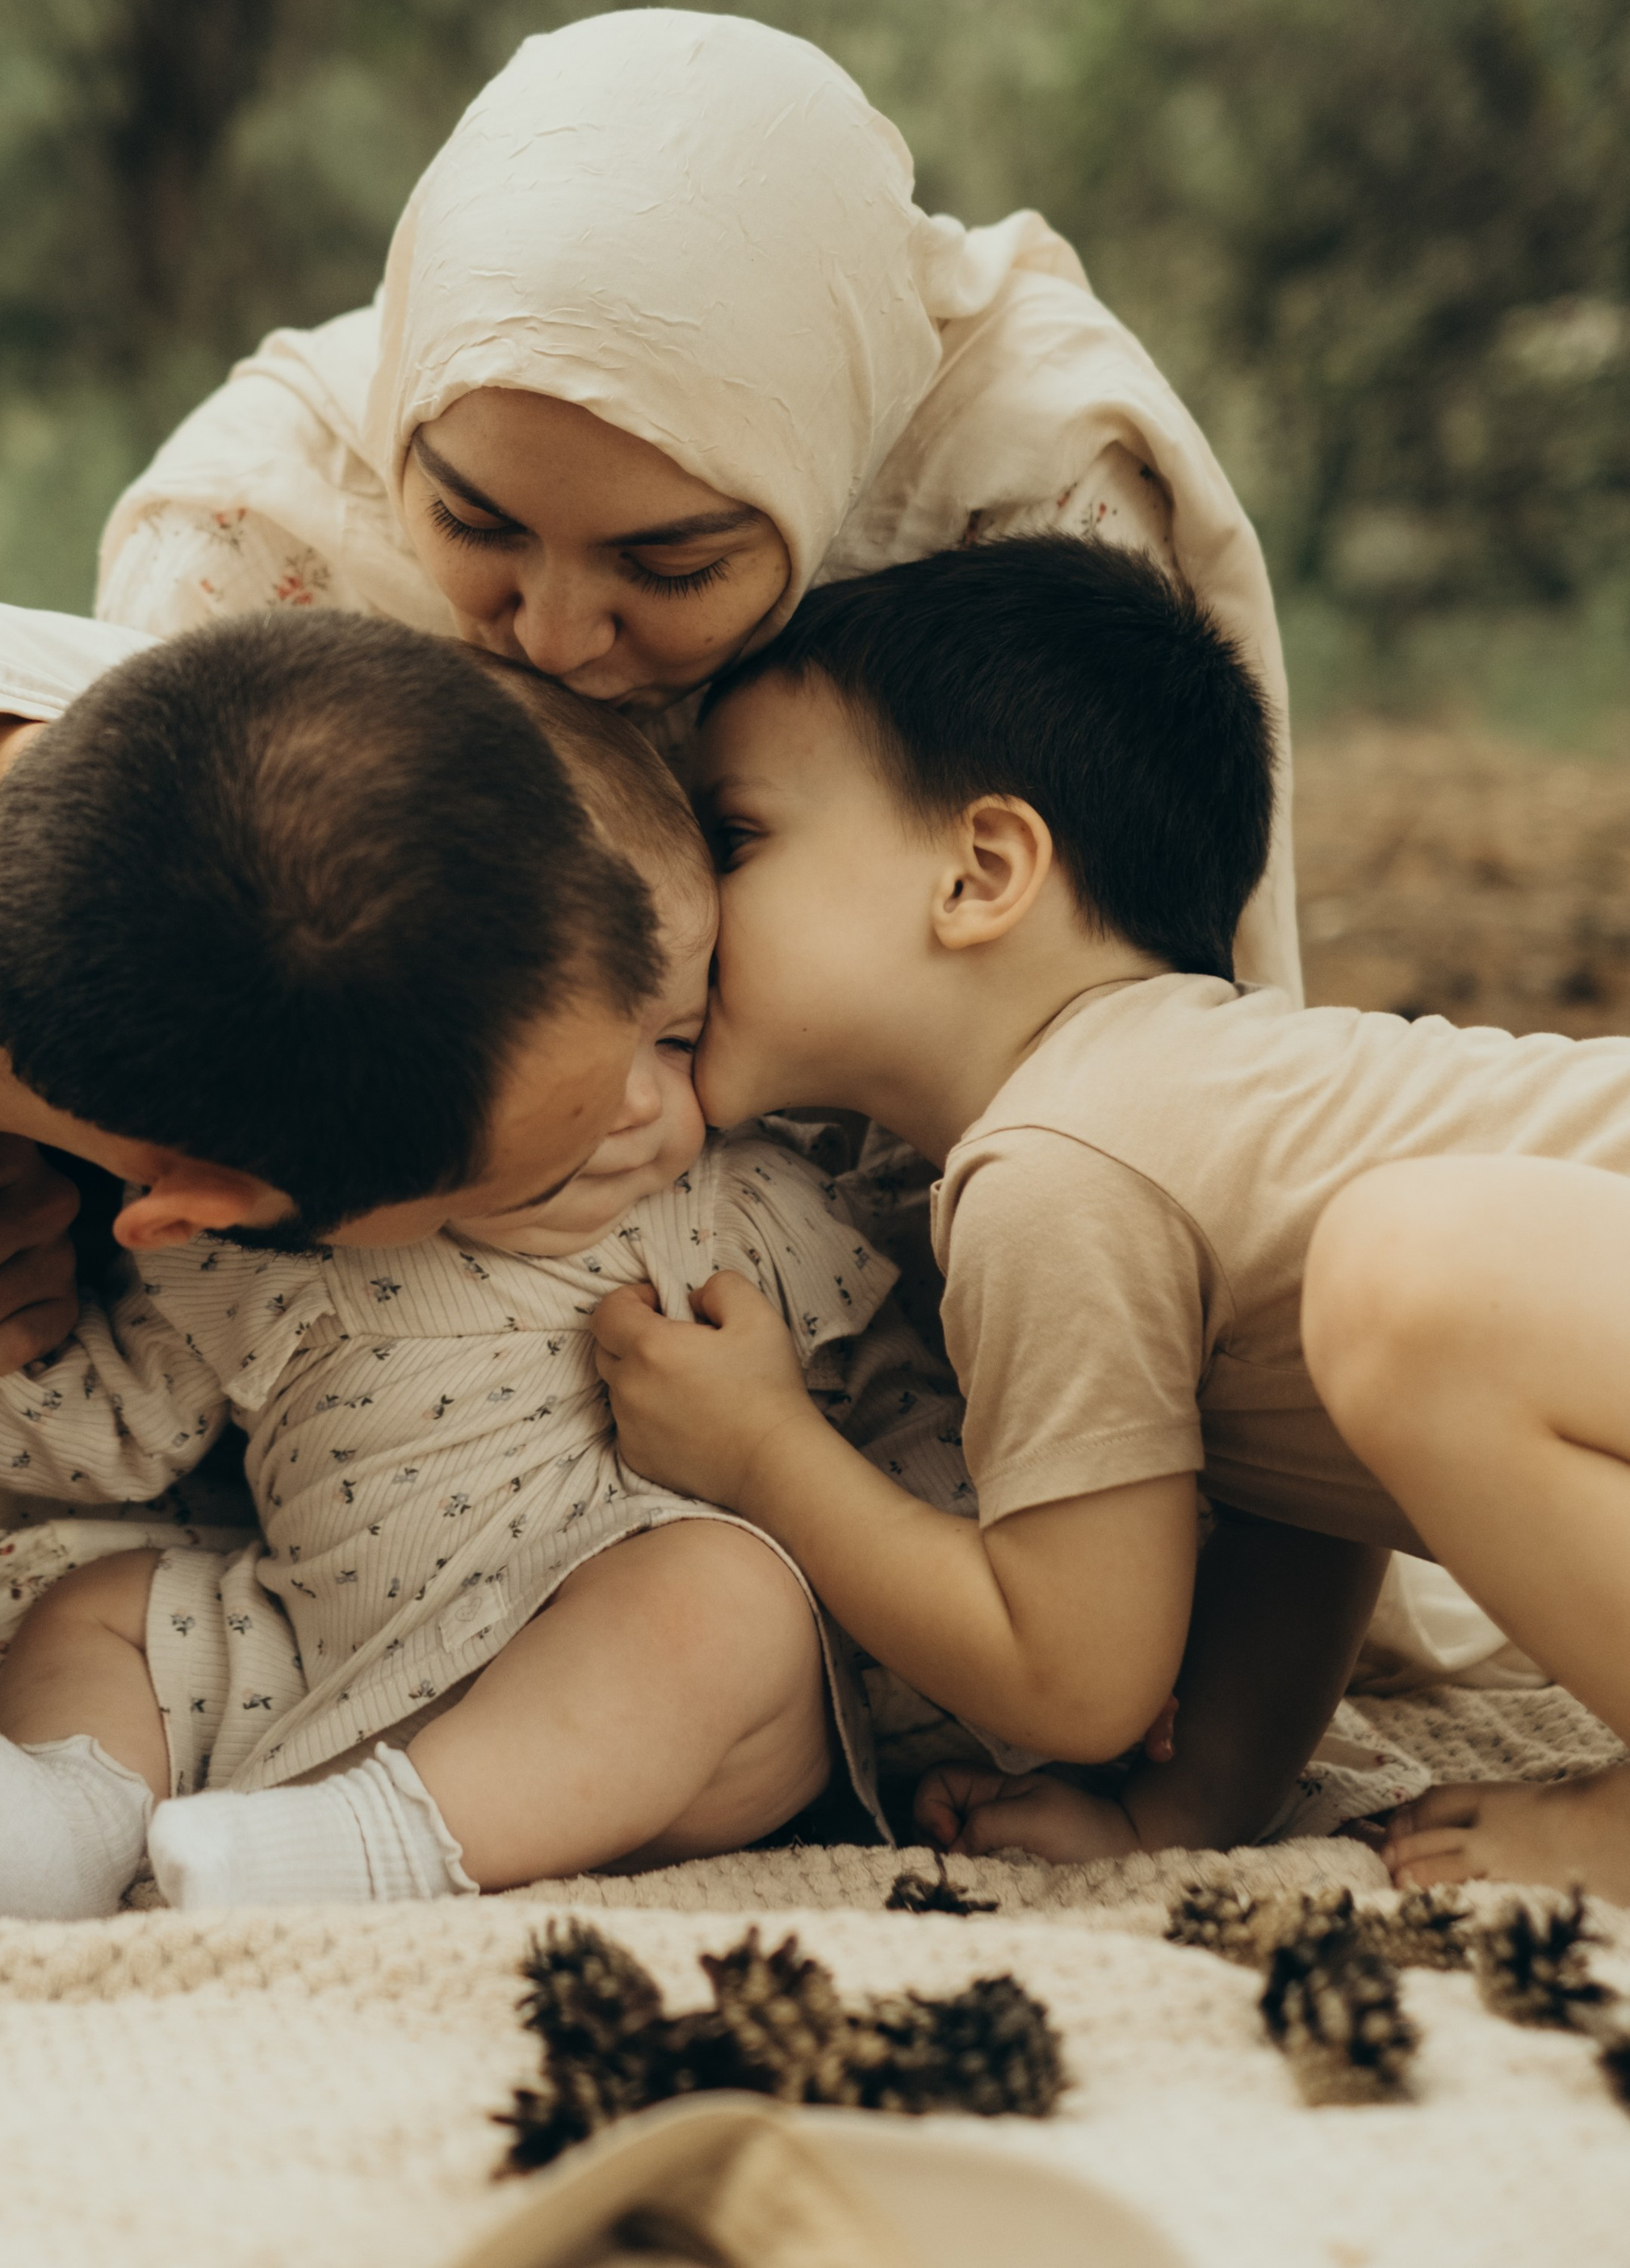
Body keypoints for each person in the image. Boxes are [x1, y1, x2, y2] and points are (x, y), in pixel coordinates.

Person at [0, 559, 656, 1891]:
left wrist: (51, 1181)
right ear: (193, 1214)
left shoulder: (233, 769)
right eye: (538, 1192)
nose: (658, 1125)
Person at [0, 682, 1000, 1915]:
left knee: (728, 1604)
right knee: (104, 1608)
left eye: (674, 1037)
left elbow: (910, 1416)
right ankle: (68, 1824)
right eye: (565, 1052)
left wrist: (975, 1668)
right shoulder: (279, 1242)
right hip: (317, 1665)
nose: (629, 1103)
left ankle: (377, 1848)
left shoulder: (750, 1206)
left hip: (649, 1725)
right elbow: (123, 1416)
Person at [594, 537, 1630, 1881]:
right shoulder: (1194, 1128)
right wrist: (1183, 1807)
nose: (678, 905)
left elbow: (1076, 1672)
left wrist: (761, 1449)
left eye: (734, 838)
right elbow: (1312, 1493)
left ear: (980, 872)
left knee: (1406, 1279)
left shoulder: (1059, 1161)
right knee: (1378, 1301)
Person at [99, 6, 1301, 997]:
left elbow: (1090, 1045)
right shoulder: (249, 536)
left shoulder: (1023, 505)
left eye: (670, 567)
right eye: (473, 524)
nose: (555, 638)